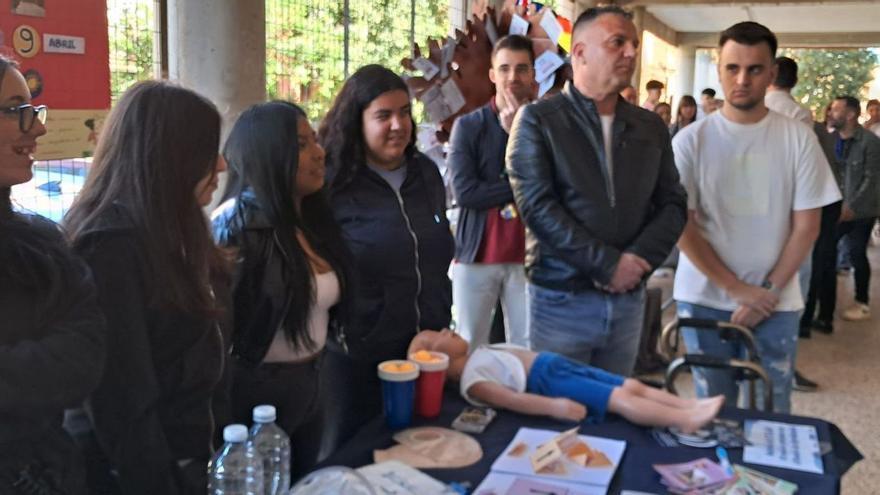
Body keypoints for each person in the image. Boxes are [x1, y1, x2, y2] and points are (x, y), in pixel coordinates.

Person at [65, 81, 231, 494]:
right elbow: (123, 406)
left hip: (180, 460)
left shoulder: (169, 231)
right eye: (208, 151)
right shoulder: (109, 248)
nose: (223, 165)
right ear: (171, 157)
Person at [506, 5, 687, 376]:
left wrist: (636, 262)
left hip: (628, 300)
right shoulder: (540, 121)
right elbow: (538, 208)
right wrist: (608, 265)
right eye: (617, 42)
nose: (631, 53)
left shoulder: (649, 127)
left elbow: (672, 204)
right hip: (561, 298)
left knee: (615, 410)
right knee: (560, 417)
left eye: (633, 44)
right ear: (580, 53)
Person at [672, 22, 840, 413]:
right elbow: (682, 226)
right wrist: (736, 289)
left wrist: (764, 293)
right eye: (733, 68)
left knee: (772, 410)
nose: (742, 79)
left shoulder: (798, 137)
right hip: (703, 298)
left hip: (777, 301)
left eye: (754, 69)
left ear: (771, 74)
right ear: (719, 68)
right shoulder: (690, 141)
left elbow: (807, 226)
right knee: (712, 412)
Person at [317, 64, 455, 449]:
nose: (398, 124)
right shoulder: (331, 183)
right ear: (356, 121)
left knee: (424, 450)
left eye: (404, 112)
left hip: (427, 349)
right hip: (358, 358)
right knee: (356, 456)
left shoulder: (426, 172)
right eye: (383, 115)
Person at [211, 101, 352, 476]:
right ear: (269, 152)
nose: (319, 153)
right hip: (256, 397)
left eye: (315, 141)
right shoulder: (234, 224)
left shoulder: (311, 220)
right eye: (303, 144)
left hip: (313, 384)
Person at [0, 55, 105, 494]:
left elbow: (83, 355)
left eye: (33, 109)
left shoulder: (41, 245)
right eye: (15, 110)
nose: (38, 127)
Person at [408, 330, 724, 432]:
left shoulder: (477, 353)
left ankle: (688, 404)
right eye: (438, 337)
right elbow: (513, 399)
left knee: (629, 384)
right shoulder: (472, 381)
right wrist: (554, 406)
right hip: (546, 381)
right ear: (439, 362)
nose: (446, 331)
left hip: (551, 364)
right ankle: (681, 420)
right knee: (617, 398)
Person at [447, 35, 534, 349]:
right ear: (492, 74)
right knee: (470, 344)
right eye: (505, 68)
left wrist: (518, 135)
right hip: (478, 253)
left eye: (522, 68)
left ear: (533, 74)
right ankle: (474, 399)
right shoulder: (469, 126)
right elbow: (466, 192)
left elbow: (555, 186)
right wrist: (522, 184)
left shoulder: (545, 127)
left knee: (528, 346)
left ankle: (520, 400)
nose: (513, 77)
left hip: (530, 255)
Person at [821, 95, 880, 322]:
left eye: (836, 110)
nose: (830, 113)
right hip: (835, 207)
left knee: (857, 253)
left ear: (850, 115)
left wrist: (851, 205)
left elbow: (871, 178)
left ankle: (862, 302)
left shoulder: (870, 142)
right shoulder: (831, 139)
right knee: (825, 252)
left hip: (862, 211)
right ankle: (823, 304)